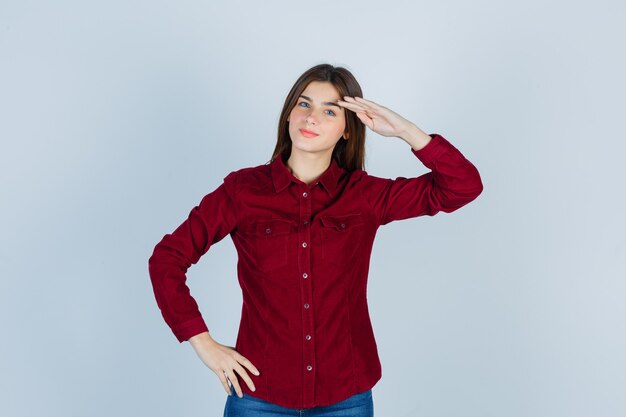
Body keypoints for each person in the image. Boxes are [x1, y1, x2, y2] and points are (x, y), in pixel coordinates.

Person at [148, 63, 483, 416]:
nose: (312, 118)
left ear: (347, 131)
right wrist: (203, 342)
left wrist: (406, 131)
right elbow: (167, 258)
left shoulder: (364, 195)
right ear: (289, 113)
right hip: (259, 392)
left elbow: (463, 186)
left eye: (329, 111)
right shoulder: (243, 191)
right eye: (304, 104)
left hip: (346, 394)